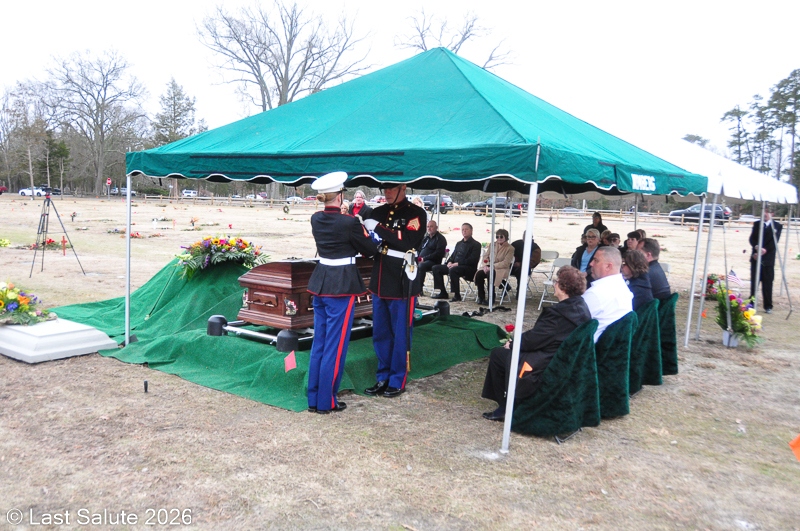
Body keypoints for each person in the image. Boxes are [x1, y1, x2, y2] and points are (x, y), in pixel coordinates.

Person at [307, 172, 379, 414]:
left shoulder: (316, 218)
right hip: (341, 285)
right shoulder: (349, 222)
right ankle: (327, 401)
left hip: (321, 282)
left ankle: (314, 398)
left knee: (320, 342)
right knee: (335, 346)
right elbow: (370, 249)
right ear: (339, 196)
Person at [480, 266, 592, 421]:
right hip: (562, 359)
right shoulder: (581, 307)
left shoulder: (558, 314)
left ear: (564, 287)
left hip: (545, 362)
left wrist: (512, 344)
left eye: (556, 281)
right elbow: (541, 337)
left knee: (498, 354)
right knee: (505, 353)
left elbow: (533, 340)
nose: (554, 284)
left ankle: (506, 407)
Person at [362, 183, 427, 398]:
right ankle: (383, 376)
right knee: (381, 331)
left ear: (403, 188)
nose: (387, 192)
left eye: (391, 188)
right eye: (385, 188)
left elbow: (407, 241)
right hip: (381, 277)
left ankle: (397, 378)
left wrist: (378, 228)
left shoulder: (415, 213)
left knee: (400, 332)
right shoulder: (377, 212)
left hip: (401, 278)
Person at [582, 246, 633, 342]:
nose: (591, 263)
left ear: (608, 266)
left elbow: (570, 322)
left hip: (589, 347)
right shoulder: (624, 289)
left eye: (596, 260)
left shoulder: (596, 293)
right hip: (613, 346)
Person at [431, 223, 482, 302]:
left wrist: (457, 264)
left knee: (453, 270)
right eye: (463, 230)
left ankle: (457, 295)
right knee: (436, 268)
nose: (464, 231)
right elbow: (453, 256)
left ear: (471, 231)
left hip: (468, 268)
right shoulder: (459, 243)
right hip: (455, 265)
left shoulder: (476, 245)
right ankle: (442, 292)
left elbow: (472, 260)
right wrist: (449, 262)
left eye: (466, 229)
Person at [749, 209, 783, 313]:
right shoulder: (757, 224)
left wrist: (765, 250)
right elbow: (752, 238)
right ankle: (751, 304)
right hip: (756, 257)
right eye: (763, 212)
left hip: (768, 259)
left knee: (767, 283)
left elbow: (774, 242)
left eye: (767, 212)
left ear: (772, 213)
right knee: (754, 282)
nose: (764, 214)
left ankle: (768, 306)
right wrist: (756, 247)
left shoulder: (777, 226)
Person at [474, 229, 515, 305]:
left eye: (501, 236)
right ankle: (481, 296)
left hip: (501, 269)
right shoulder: (492, 245)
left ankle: (491, 297)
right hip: (489, 266)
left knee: (490, 274)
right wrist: (486, 265)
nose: (499, 238)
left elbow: (506, 263)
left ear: (506, 237)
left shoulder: (510, 248)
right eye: (497, 236)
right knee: (479, 274)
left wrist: (493, 266)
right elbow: (486, 256)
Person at [509, 232, 542, 299]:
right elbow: (507, 253)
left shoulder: (535, 248)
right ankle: (504, 285)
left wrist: (521, 264)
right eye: (524, 236)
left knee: (521, 272)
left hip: (525, 268)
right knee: (498, 269)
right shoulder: (516, 244)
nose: (525, 237)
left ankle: (520, 293)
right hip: (511, 266)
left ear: (531, 237)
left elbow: (534, 261)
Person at [418, 220, 447, 286]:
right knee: (409, 263)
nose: (429, 228)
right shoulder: (426, 238)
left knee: (421, 266)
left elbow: (438, 253)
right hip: (422, 259)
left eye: (431, 226)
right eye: (428, 226)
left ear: (436, 227)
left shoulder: (440, 239)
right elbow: (419, 248)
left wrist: (424, 259)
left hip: (433, 261)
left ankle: (419, 288)